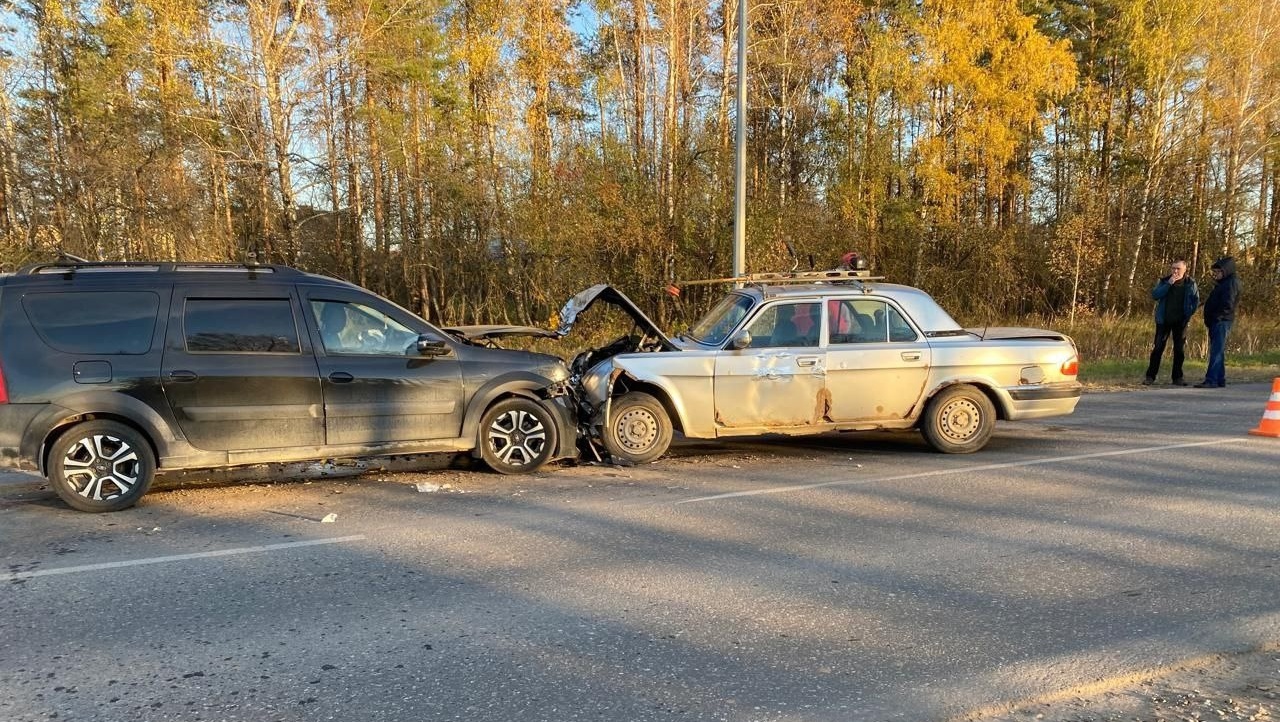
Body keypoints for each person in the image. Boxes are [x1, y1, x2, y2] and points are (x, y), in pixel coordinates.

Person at [1143, 259, 1198, 385]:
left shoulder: (1190, 283)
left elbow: (1195, 300)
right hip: (1164, 321)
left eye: (1178, 269)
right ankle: (1150, 377)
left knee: (1179, 350)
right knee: (1158, 348)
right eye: (1173, 268)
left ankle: (1177, 377)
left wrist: (1188, 314)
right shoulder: (1164, 281)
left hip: (1181, 321)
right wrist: (1169, 284)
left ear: (1185, 270)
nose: (1175, 271)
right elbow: (1155, 295)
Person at [1195, 256, 1243, 388]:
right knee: (1218, 350)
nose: (1215, 275)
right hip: (1217, 320)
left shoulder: (1231, 283)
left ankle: (1212, 379)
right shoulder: (1224, 283)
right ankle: (1220, 378)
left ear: (1225, 271)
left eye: (1218, 272)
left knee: (1216, 350)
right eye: (1214, 272)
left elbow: (1228, 304)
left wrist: (1217, 317)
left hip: (1221, 321)